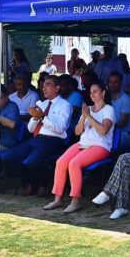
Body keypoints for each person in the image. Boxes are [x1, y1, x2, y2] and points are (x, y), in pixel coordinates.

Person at [44, 82, 116, 213]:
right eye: (90, 92)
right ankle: (57, 199)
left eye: (95, 91)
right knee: (61, 162)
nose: (92, 94)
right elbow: (77, 132)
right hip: (83, 143)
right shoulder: (88, 108)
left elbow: (104, 130)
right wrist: (84, 117)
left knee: (74, 163)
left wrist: (89, 116)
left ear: (103, 93)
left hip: (100, 145)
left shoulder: (108, 109)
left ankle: (75, 201)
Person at [18, 75, 72, 197]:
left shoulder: (65, 105)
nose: (44, 88)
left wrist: (42, 117)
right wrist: (35, 117)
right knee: (8, 157)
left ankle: (42, 184)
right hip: (36, 138)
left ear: (57, 88)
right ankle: (30, 183)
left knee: (32, 161)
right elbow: (30, 129)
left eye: (47, 85)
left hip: (53, 141)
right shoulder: (42, 103)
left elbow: (60, 128)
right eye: (43, 86)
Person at [108, 71, 130, 151]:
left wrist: (104, 126)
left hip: (123, 134)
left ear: (121, 83)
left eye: (115, 82)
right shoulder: (106, 98)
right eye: (110, 82)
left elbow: (122, 123)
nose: (112, 84)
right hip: (109, 132)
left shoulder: (126, 99)